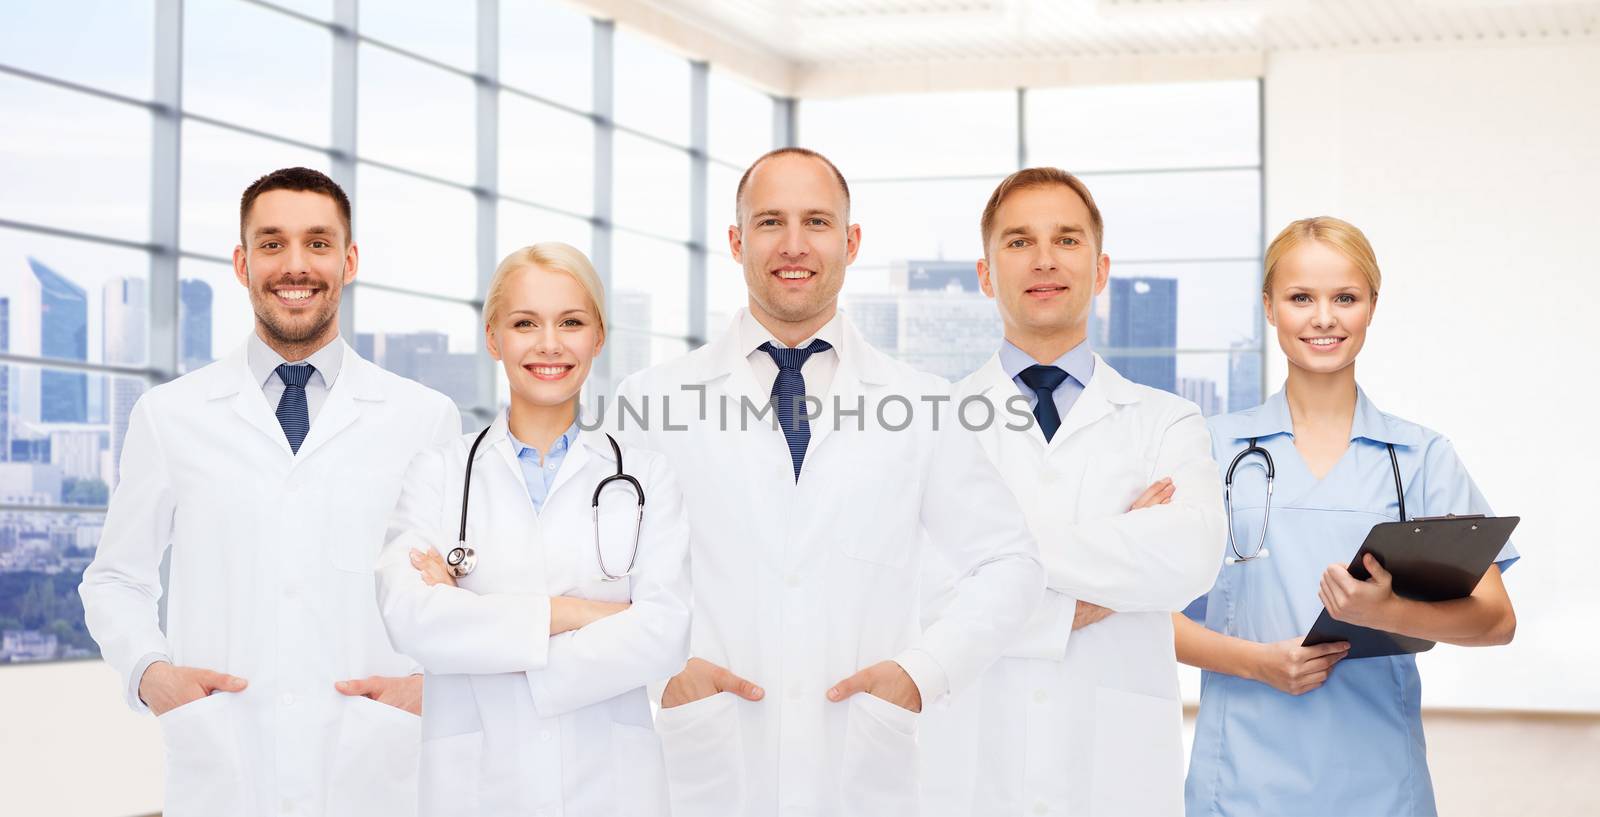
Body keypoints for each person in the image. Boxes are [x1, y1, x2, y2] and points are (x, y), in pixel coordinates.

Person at [611, 147, 1045, 816]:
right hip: (704, 759)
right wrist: (661, 671)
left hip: (861, 764)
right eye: (769, 222)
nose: (793, 245)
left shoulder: (922, 404)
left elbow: (1010, 563)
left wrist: (922, 672)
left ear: (851, 241)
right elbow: (601, 570)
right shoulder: (652, 400)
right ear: (735, 240)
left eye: (816, 221)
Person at [78, 167, 461, 817]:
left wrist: (434, 688)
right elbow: (115, 577)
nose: (295, 265)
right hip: (226, 767)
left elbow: (463, 592)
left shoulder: (423, 417)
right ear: (242, 261)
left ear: (349, 259)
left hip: (374, 768)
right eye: (272, 242)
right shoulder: (171, 415)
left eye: (317, 242)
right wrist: (152, 674)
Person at [1176, 216, 1519, 816]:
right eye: (1301, 298)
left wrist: (1388, 611)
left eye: (1345, 298)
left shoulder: (1419, 458)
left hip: (1379, 783)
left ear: (1371, 307)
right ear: (1269, 306)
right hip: (1241, 784)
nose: (1324, 318)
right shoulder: (1211, 451)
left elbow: (1495, 621)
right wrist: (1259, 663)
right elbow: (1143, 617)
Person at [919, 167, 1225, 817]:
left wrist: (993, 568)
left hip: (1117, 772)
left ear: (1101, 266)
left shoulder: (1166, 419)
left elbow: (1192, 556)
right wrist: (1121, 571)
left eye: (1067, 239)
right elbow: (919, 591)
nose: (1045, 259)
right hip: (971, 764)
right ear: (984, 272)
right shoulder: (928, 423)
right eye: (1019, 240)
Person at [374, 243, 691, 817]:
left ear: (599, 337)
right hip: (476, 790)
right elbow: (410, 619)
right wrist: (582, 614)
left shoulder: (646, 477)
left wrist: (480, 629)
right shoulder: (440, 473)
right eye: (525, 323)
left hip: (612, 789)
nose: (549, 343)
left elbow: (666, 634)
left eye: (571, 322)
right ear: (494, 337)